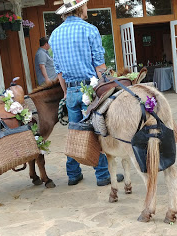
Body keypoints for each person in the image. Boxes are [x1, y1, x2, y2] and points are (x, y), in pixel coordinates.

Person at [49, 0, 123, 186]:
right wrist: (107, 85)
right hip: (90, 89)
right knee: (97, 130)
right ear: (79, 9)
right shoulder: (89, 29)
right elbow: (99, 64)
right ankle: (103, 175)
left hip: (72, 90)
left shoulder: (55, 35)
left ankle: (73, 174)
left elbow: (58, 70)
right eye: (85, 5)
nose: (87, 8)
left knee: (75, 131)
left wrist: (66, 94)